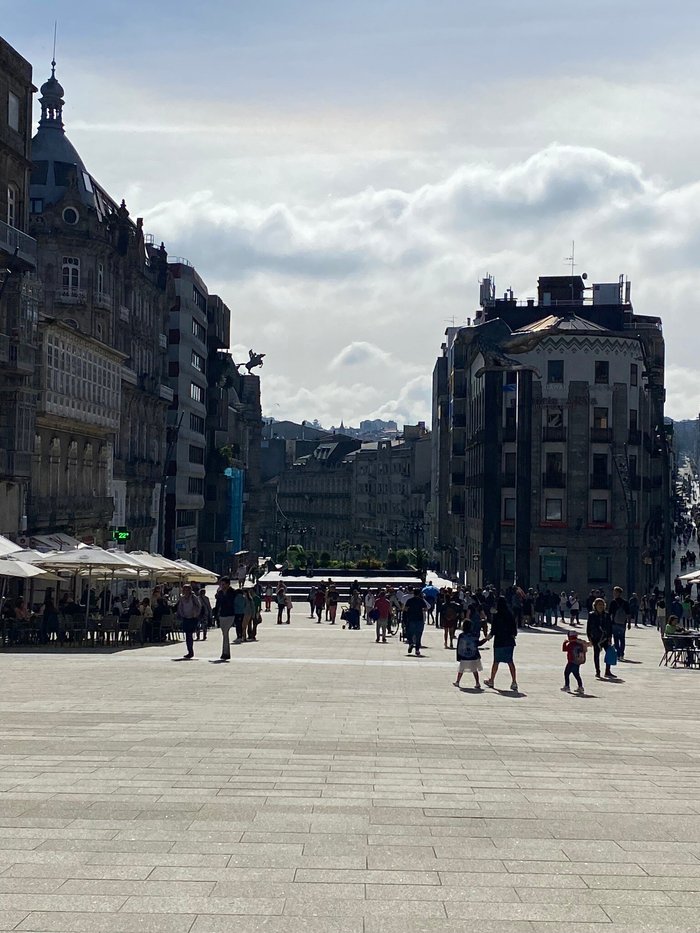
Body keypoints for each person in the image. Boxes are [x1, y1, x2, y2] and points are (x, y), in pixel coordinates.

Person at [484, 596, 518, 691]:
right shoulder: (510, 614)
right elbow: (514, 630)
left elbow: (494, 630)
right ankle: (514, 681)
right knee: (510, 662)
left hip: (499, 642)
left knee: (496, 662)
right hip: (509, 642)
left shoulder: (497, 615)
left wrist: (486, 638)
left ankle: (492, 680)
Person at [453, 621, 488, 689]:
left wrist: (458, 656)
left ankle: (457, 681)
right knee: (474, 670)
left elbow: (459, 646)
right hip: (473, 656)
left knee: (461, 670)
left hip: (464, 656)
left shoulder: (461, 635)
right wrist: (485, 639)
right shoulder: (474, 635)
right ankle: (477, 683)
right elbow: (479, 644)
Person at [587, 597, 614, 678]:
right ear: (595, 606)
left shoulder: (607, 615)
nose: (600, 606)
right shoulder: (591, 615)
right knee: (596, 655)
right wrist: (590, 639)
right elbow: (588, 628)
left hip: (605, 638)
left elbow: (610, 627)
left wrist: (610, 637)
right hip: (596, 638)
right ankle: (598, 671)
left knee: (609, 653)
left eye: (602, 604)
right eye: (599, 605)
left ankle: (608, 671)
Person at [175, 584, 201, 659]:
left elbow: (199, 606)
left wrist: (195, 614)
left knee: (189, 634)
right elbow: (180, 607)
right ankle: (190, 651)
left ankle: (190, 651)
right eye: (184, 590)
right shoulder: (182, 598)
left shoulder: (193, 598)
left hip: (192, 618)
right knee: (188, 635)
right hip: (185, 618)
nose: (185, 591)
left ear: (190, 590)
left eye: (187, 590)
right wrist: (181, 614)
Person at [214, 577, 237, 660]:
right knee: (224, 634)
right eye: (221, 584)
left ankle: (225, 653)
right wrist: (216, 614)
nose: (222, 586)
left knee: (225, 633)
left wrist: (222, 596)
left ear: (228, 584)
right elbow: (218, 605)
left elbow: (230, 603)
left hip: (230, 614)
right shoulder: (220, 593)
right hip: (222, 615)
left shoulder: (233, 592)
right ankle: (225, 652)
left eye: (223, 584)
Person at [404, 588, 427, 656]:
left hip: (411, 619)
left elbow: (405, 609)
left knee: (409, 633)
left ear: (413, 593)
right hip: (419, 619)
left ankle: (411, 643)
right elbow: (425, 609)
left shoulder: (410, 600)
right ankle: (417, 650)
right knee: (418, 635)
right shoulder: (421, 600)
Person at [609, 586, 630, 660]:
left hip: (614, 623)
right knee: (622, 639)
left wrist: (609, 623)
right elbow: (628, 614)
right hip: (622, 623)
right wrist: (629, 623)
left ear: (618, 593)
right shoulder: (625, 602)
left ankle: (618, 654)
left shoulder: (613, 602)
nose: (614, 593)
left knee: (616, 639)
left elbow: (610, 613)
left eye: (615, 592)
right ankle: (622, 654)